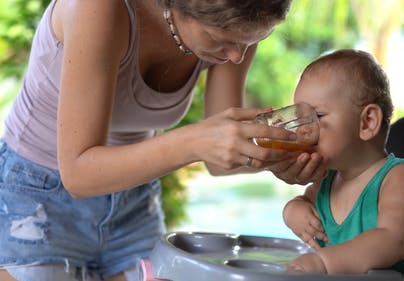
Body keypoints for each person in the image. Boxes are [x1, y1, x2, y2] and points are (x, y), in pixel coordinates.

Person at [0, 0, 326, 280]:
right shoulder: (99, 9)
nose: (237, 56)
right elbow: (77, 173)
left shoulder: (237, 22)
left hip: (134, 201)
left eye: (254, 40)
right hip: (36, 199)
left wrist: (277, 159)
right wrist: (195, 140)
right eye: (221, 40)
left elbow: (217, 161)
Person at [282, 49, 404, 281]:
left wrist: (324, 262)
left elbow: (393, 239)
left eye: (318, 116)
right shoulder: (327, 181)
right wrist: (293, 211)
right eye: (300, 118)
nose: (303, 129)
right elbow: (303, 202)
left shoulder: (399, 178)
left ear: (367, 122)